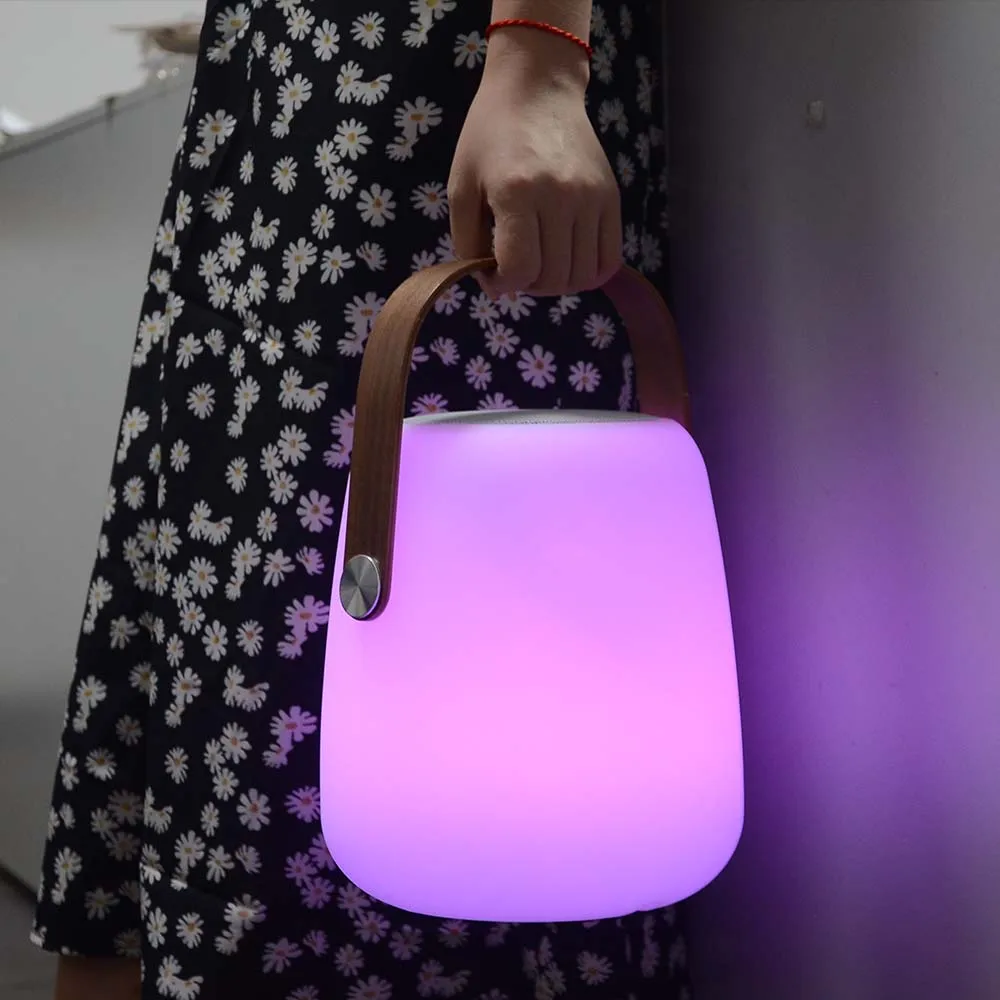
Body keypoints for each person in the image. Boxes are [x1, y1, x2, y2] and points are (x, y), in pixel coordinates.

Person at [32, 1, 688, 997]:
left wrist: (537, 60)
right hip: (278, 98)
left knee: (303, 683)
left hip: (411, 89)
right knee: (219, 648)